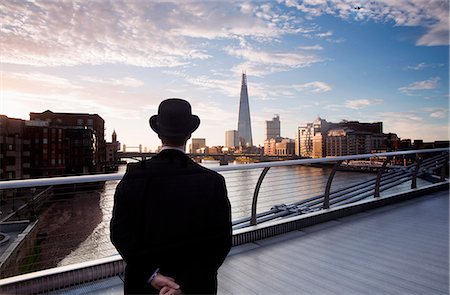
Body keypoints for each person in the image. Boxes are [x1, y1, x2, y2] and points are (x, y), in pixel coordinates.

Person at [111, 98, 232, 295]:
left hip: (144, 287)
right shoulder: (212, 181)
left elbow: (120, 233)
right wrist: (183, 286)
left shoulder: (135, 175)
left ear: (158, 134)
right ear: (190, 134)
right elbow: (221, 243)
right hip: (193, 288)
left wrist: (152, 275)